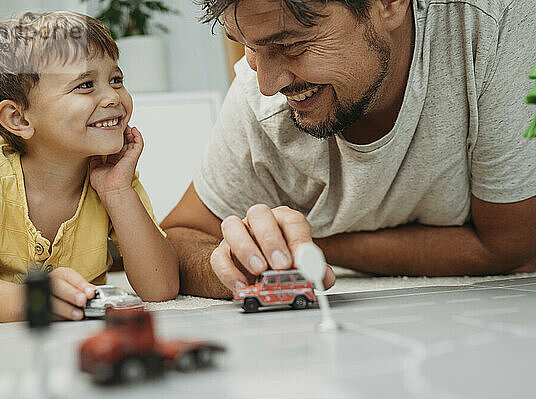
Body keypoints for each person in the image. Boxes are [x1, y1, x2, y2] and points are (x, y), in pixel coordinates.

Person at [161, 0, 536, 298]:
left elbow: (509, 246)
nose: (268, 85)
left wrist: (315, 243)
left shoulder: (495, 24)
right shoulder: (258, 101)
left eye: (292, 45)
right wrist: (230, 264)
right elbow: (177, 238)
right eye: (249, 46)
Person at [0, 11, 179, 322]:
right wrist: (37, 299)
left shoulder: (113, 174)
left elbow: (162, 287)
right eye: (86, 85)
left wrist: (117, 191)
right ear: (19, 118)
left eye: (116, 79)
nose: (112, 98)